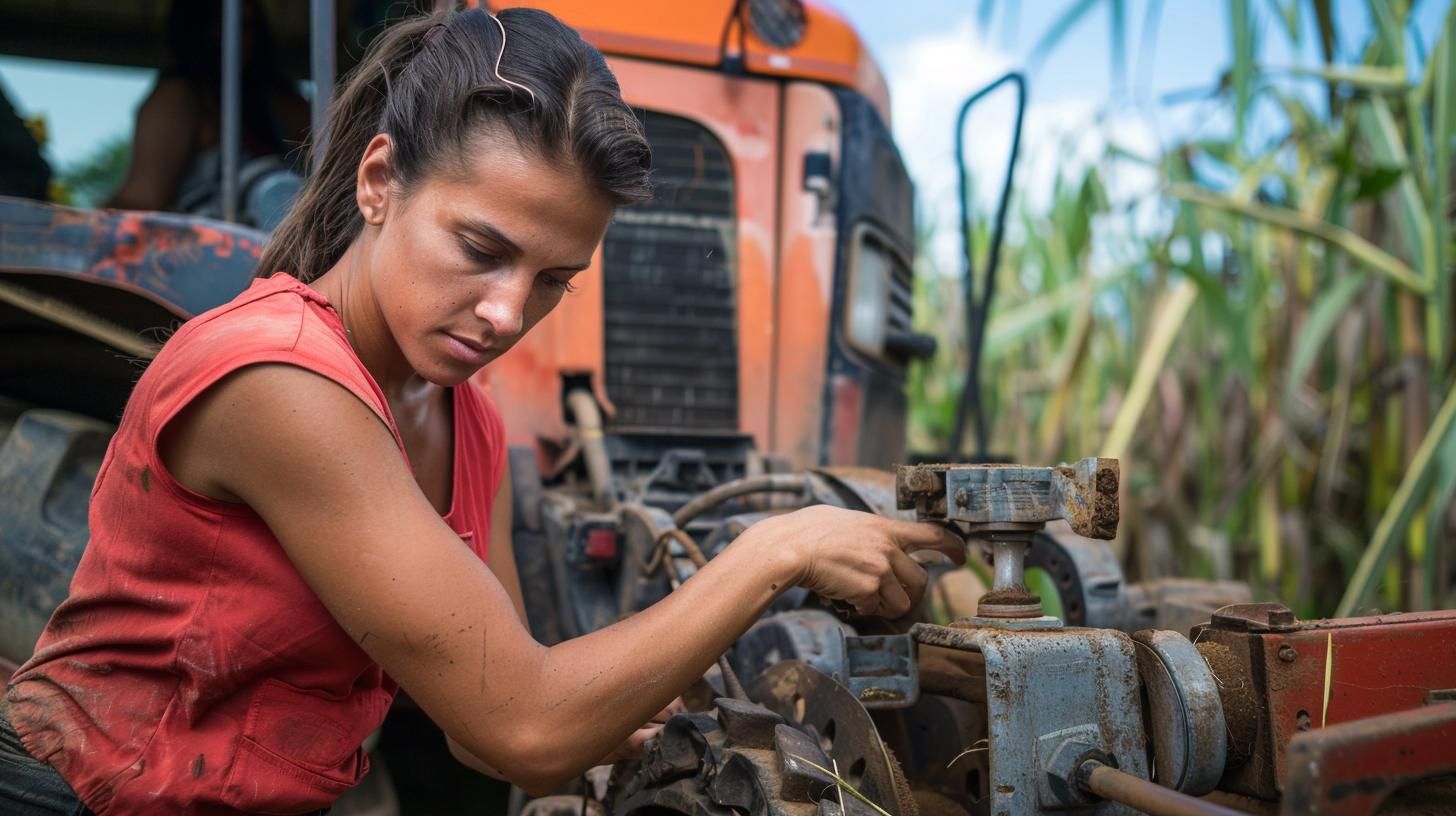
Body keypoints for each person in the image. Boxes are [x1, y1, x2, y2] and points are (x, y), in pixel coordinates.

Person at [0, 7, 964, 815]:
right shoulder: (279, 380)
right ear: (379, 182)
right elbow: (522, 726)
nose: (509, 314)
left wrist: (615, 709)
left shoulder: (469, 417)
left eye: (554, 279)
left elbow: (485, 725)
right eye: (480, 248)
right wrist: (774, 550)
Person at [104, 0, 309, 221]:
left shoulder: (284, 105)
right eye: (215, 22)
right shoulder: (177, 98)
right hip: (205, 250)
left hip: (291, 247)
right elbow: (141, 199)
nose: (231, 35)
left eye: (246, 25)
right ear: (191, 27)